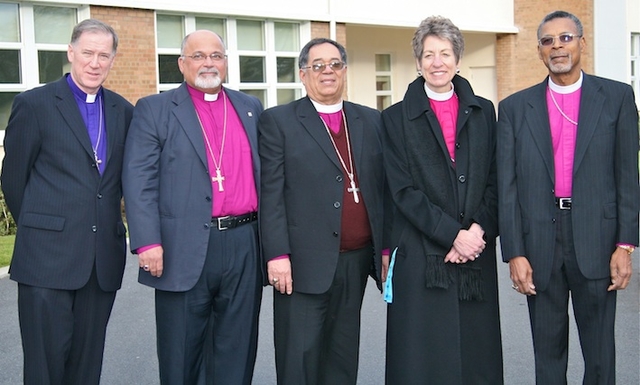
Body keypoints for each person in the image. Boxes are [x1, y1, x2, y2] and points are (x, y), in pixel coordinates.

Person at [497, 10, 639, 384]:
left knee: (599, 355)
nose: (557, 46)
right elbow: (507, 186)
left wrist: (625, 245)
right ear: (540, 51)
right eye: (548, 41)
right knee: (547, 355)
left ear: (581, 43)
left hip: (598, 237)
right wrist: (514, 251)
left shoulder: (617, 98)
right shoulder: (513, 109)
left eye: (565, 38)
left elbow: (628, 177)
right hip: (539, 242)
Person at [122, 30, 264, 384]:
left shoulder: (250, 108)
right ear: (182, 64)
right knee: (181, 350)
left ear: (226, 63)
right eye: (198, 56)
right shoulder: (154, 109)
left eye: (216, 56)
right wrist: (147, 241)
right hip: (180, 244)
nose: (208, 63)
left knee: (237, 347)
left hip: (244, 242)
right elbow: (139, 179)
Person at [0, 19, 133, 384]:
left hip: (100, 262)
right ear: (71, 53)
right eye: (87, 53)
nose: (95, 62)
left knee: (86, 367)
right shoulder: (35, 104)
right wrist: (42, 228)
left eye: (103, 55)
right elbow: (13, 180)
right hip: (46, 260)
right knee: (45, 367)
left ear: (112, 59)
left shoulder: (123, 111)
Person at [381, 16, 503, 384]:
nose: (437, 62)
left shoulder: (484, 111)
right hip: (423, 253)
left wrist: (476, 231)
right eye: (429, 54)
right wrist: (453, 234)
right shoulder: (394, 118)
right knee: (425, 358)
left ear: (458, 59)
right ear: (417, 62)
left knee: (475, 357)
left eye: (445, 53)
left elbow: (495, 179)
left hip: (474, 254)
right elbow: (401, 190)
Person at [259, 37, 386, 385]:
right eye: (318, 65)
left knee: (343, 357)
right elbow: (270, 196)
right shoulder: (279, 122)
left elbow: (381, 190)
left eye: (334, 64)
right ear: (303, 74)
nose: (327, 71)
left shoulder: (371, 120)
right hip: (300, 263)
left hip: (356, 260)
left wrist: (385, 248)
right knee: (299, 358)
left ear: (344, 71)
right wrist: (277, 255)